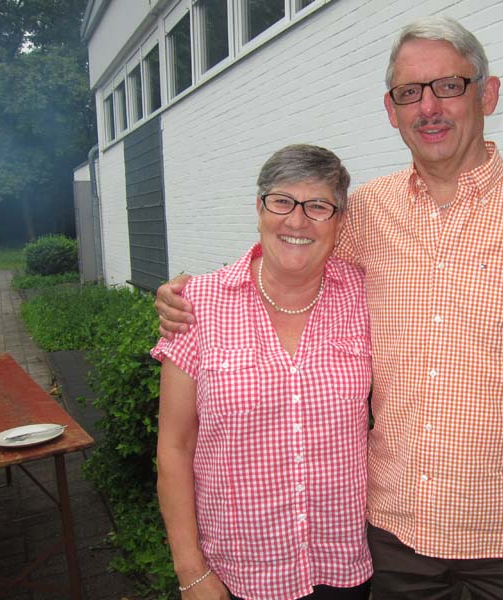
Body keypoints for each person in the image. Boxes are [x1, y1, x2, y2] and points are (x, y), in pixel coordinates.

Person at [156, 17, 503, 600]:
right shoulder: (367, 212)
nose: (429, 107)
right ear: (391, 110)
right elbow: (292, 249)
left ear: (488, 94)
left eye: (449, 85)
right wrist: (190, 294)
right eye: (409, 92)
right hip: (396, 535)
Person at [152, 145, 372, 600]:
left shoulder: (366, 296)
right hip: (239, 573)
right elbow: (175, 447)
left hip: (344, 565)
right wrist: (190, 569)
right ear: (259, 208)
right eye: (282, 201)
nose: (297, 221)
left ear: (339, 221)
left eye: (318, 206)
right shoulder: (198, 306)